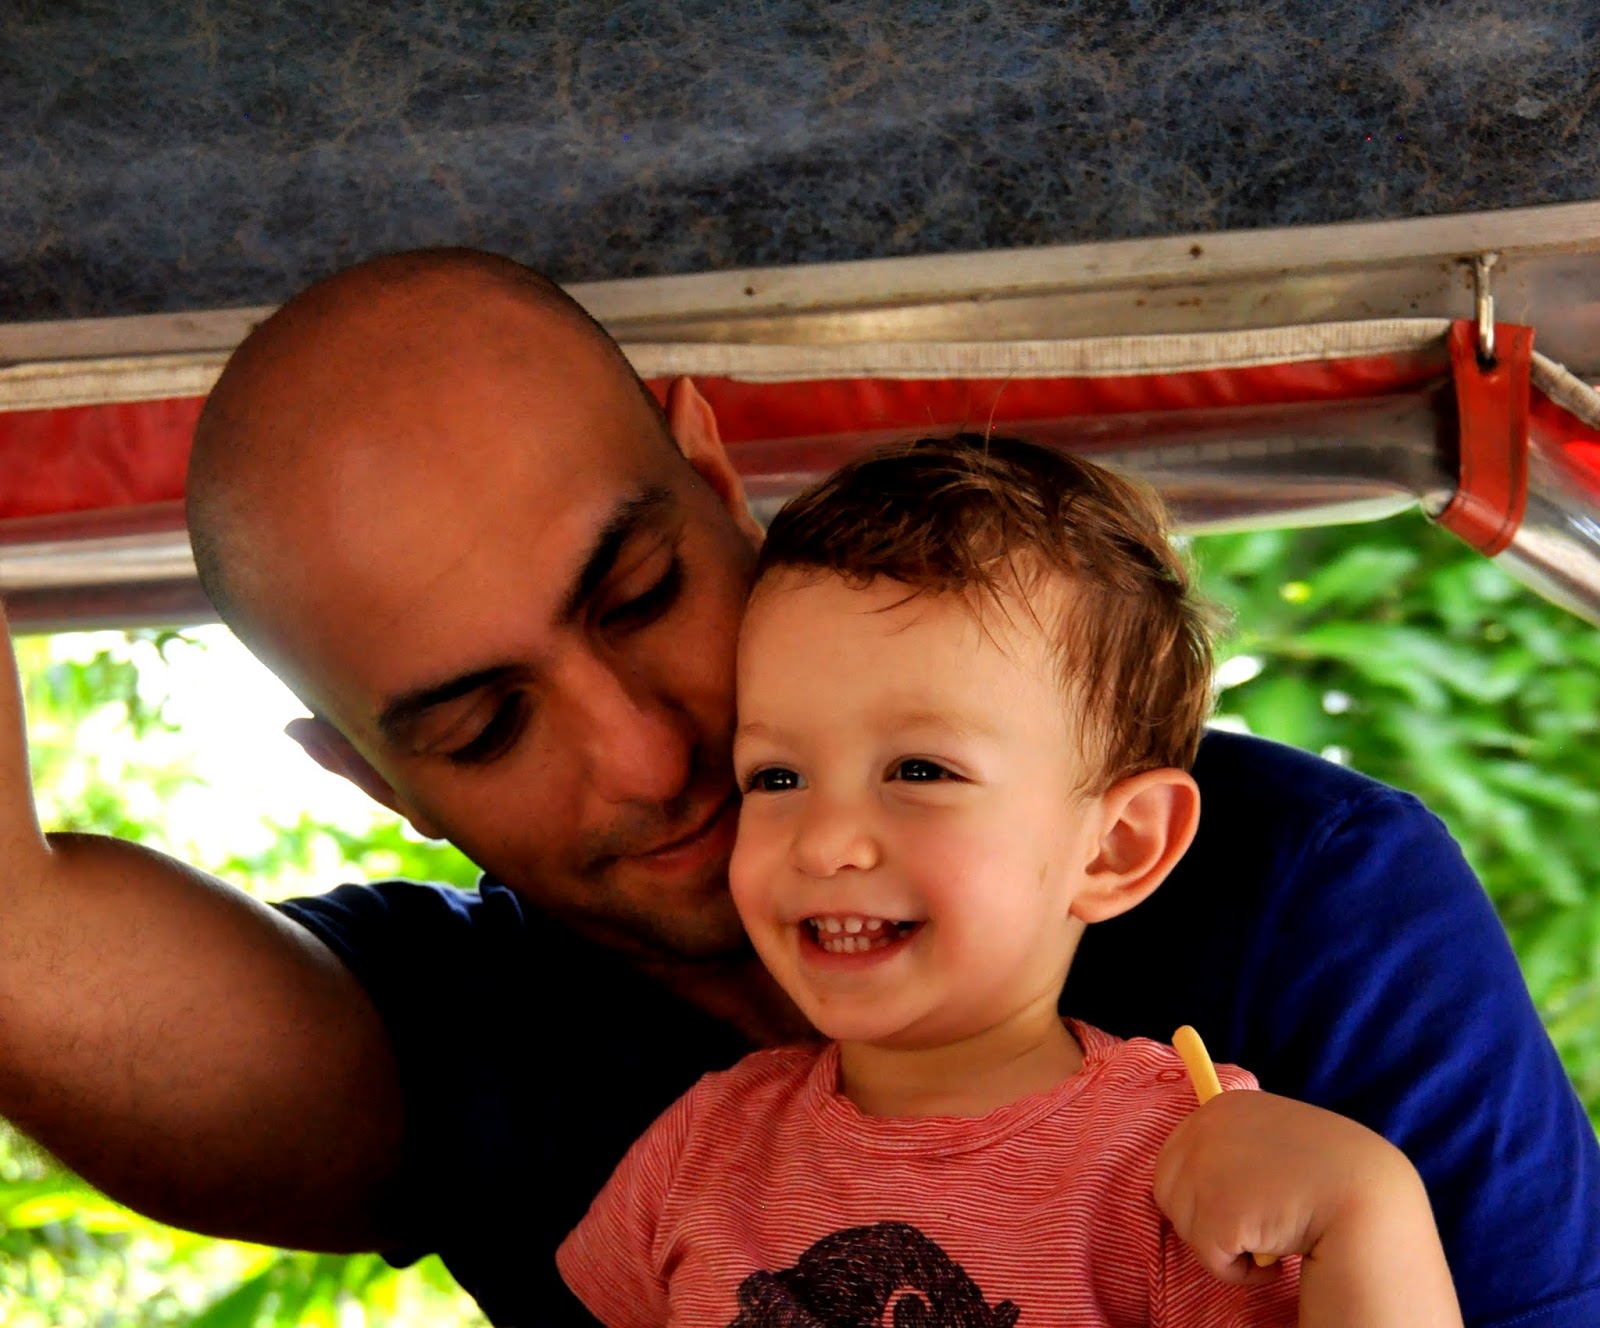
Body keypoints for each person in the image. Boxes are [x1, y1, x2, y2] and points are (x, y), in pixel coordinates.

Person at [0, 248, 1593, 1327]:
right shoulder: (466, 1043)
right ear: (371, 779)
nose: (647, 754)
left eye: (638, 597)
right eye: (487, 726)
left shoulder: (1304, 892)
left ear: (712, 475)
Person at [556, 435, 1462, 1327]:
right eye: (777, 777)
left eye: (920, 771)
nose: (824, 843)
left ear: (1115, 849)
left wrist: (1366, 1209)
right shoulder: (702, 1147)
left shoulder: (1186, 1163)